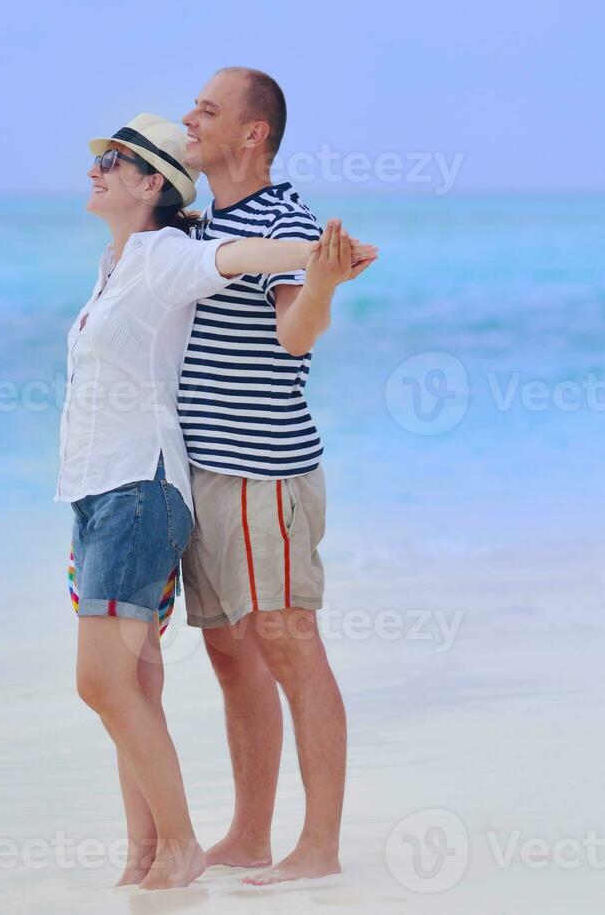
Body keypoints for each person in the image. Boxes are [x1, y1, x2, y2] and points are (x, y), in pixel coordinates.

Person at [58, 112, 374, 891]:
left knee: (125, 676)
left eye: (115, 159)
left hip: (159, 482)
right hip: (109, 490)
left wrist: (322, 259)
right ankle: (160, 851)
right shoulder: (117, 260)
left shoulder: (170, 254)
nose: (96, 166)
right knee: (162, 672)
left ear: (150, 185)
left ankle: (192, 847)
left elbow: (245, 262)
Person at [177, 68, 371, 885]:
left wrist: (322, 283)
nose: (191, 118)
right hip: (200, 474)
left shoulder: (284, 220)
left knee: (289, 644)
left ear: (252, 135)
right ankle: (250, 835)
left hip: (263, 471)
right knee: (231, 654)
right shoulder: (195, 227)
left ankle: (318, 847)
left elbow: (296, 334)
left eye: (208, 110)